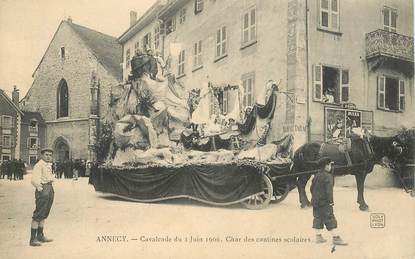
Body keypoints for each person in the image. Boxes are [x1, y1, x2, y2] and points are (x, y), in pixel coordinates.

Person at [311, 157, 347, 246]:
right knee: (329, 218)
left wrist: (315, 198)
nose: (331, 166)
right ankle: (336, 238)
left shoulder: (316, 175)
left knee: (318, 218)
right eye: (330, 164)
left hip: (315, 202)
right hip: (324, 202)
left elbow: (311, 188)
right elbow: (329, 191)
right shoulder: (328, 176)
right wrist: (331, 201)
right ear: (326, 166)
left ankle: (318, 237)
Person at [29, 148, 55, 246]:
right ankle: (33, 239)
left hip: (49, 187)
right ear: (42, 155)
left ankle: (40, 235)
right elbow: (34, 180)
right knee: (38, 213)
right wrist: (41, 190)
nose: (48, 157)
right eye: (46, 155)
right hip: (43, 189)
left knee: (44, 212)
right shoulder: (39, 165)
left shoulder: (48, 165)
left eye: (50, 155)